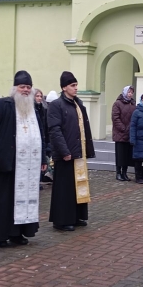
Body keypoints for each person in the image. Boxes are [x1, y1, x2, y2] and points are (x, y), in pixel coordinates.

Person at [0, 71, 47, 248]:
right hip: (8, 162)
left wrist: (43, 158)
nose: (26, 90)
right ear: (15, 88)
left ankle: (19, 233)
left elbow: (40, 135)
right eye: (22, 87)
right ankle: (1, 235)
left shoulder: (34, 107)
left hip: (29, 166)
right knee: (4, 200)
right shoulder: (3, 104)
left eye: (28, 87)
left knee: (25, 199)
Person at [48, 71, 95, 231]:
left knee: (78, 186)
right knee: (64, 189)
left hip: (78, 152)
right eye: (72, 85)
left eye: (76, 85)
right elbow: (55, 130)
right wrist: (64, 151)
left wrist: (87, 149)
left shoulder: (78, 104)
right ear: (63, 87)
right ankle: (61, 220)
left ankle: (76, 216)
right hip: (65, 154)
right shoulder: (56, 105)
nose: (76, 88)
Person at [112, 85, 136, 181]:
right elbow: (115, 117)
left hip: (129, 134)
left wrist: (131, 128)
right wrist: (123, 128)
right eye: (128, 92)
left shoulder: (133, 104)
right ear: (125, 92)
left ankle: (124, 173)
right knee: (120, 154)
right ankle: (118, 173)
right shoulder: (117, 103)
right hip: (120, 133)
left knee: (127, 155)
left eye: (131, 92)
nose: (130, 94)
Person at [34, 88, 52, 185]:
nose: (39, 98)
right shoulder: (32, 109)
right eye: (37, 96)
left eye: (41, 96)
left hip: (43, 138)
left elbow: (45, 126)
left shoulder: (43, 109)